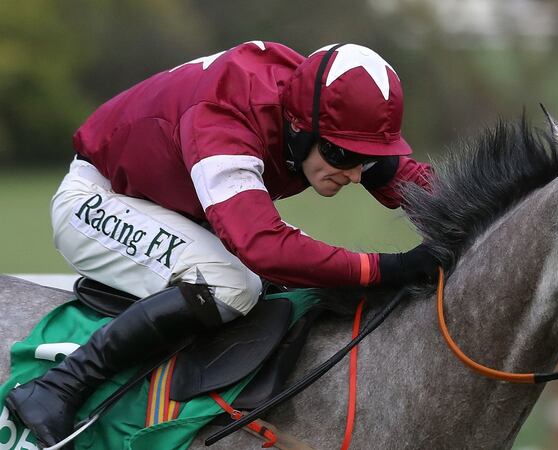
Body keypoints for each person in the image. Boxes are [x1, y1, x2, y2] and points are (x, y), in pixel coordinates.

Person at [4, 41, 438, 448]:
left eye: (368, 158)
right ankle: (60, 387)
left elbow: (412, 180)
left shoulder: (310, 104)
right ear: (299, 128)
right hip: (98, 200)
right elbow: (262, 246)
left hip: (178, 204)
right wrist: (384, 268)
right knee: (231, 284)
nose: (356, 174)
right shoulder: (225, 116)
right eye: (343, 156)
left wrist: (479, 219)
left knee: (296, 274)